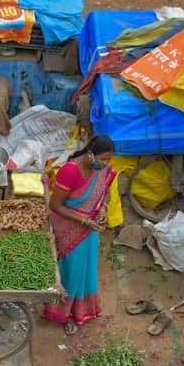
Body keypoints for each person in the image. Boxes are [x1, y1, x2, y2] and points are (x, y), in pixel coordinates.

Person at [44, 135, 117, 335]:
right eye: (103, 159)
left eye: (108, 159)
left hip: (90, 229)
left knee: (86, 271)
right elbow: (55, 205)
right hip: (67, 226)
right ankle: (62, 313)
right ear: (90, 154)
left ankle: (80, 310)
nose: (106, 164)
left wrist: (102, 209)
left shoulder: (102, 171)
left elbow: (106, 192)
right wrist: (84, 221)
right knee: (71, 273)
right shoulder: (70, 171)